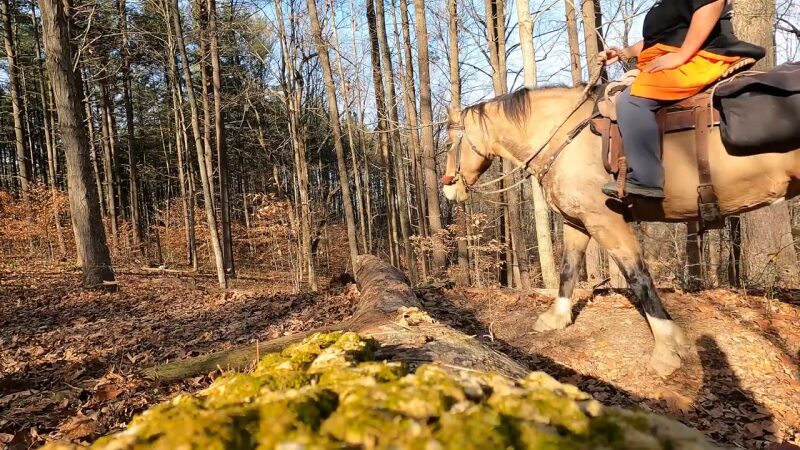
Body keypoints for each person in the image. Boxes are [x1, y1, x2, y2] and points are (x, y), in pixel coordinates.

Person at [601, 0, 765, 198]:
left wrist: (681, 56)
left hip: (704, 55)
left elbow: (712, 3)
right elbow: (662, 38)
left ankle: (646, 179)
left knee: (633, 100)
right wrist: (623, 53)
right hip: (675, 56)